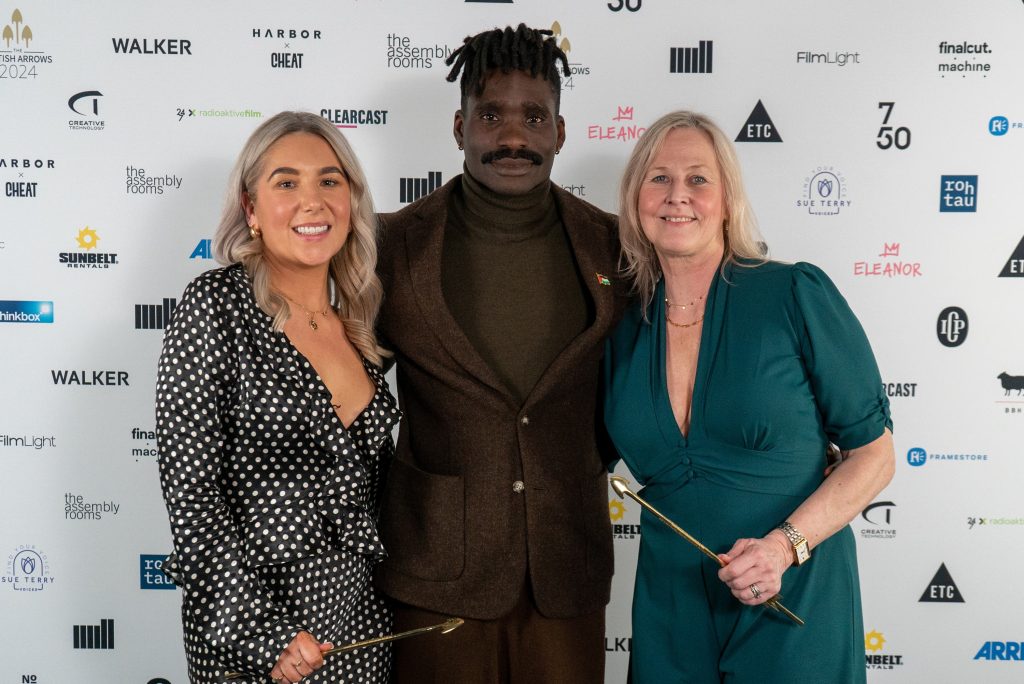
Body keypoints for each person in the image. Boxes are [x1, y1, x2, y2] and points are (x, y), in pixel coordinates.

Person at [374, 24, 628, 683]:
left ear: (560, 132)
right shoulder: (390, 247)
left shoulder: (613, 247)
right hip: (436, 573)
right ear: (459, 128)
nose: (512, 137)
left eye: (534, 116)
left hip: (565, 567)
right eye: (491, 115)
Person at [604, 111, 895, 683]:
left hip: (792, 597)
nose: (676, 196)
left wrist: (784, 548)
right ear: (635, 198)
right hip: (671, 606)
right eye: (658, 178)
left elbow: (873, 455)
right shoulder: (622, 329)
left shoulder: (792, 292)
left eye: (698, 179)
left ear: (728, 199)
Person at [156, 111, 396, 684]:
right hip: (255, 643)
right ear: (251, 209)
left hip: (360, 631)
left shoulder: (358, 328)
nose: (312, 202)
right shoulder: (215, 306)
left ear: (351, 202)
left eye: (329, 181)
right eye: (286, 183)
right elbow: (192, 494)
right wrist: (264, 635)